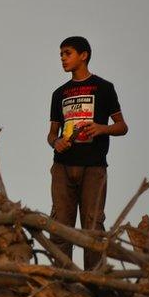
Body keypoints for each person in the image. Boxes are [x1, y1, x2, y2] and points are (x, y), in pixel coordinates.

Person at [47, 36, 128, 270]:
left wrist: (102, 128)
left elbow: (122, 126)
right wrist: (56, 142)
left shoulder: (104, 87)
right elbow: (52, 133)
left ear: (84, 55)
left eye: (67, 53)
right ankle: (61, 281)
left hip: (94, 167)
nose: (62, 58)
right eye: (61, 54)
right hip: (62, 166)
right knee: (60, 226)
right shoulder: (59, 93)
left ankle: (95, 283)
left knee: (92, 228)